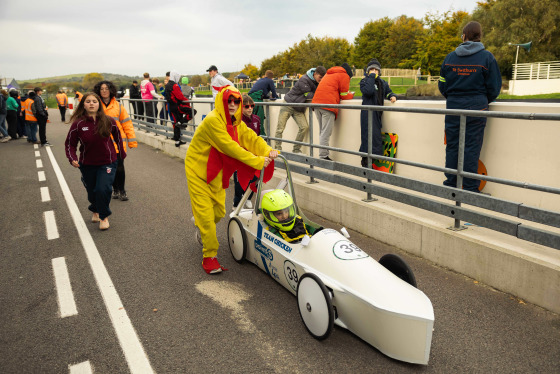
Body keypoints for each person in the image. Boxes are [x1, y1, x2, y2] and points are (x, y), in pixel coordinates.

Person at [185, 85, 278, 274]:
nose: (233, 104)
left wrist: (268, 150)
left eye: (237, 101)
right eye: (229, 100)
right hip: (198, 172)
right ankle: (209, 255)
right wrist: (258, 160)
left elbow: (251, 138)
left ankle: (201, 224)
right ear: (222, 101)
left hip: (217, 174)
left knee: (219, 213)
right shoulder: (213, 121)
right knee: (206, 217)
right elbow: (230, 148)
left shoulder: (237, 122)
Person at [438, 21, 501, 192]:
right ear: (479, 36)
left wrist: (454, 98)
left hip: (453, 108)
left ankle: (451, 185)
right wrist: (481, 100)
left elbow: (442, 85)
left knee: (452, 146)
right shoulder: (487, 57)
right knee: (471, 147)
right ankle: (470, 188)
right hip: (477, 109)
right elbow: (494, 87)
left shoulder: (450, 58)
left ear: (464, 36)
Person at [65, 92, 126, 230]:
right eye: (88, 101)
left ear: (99, 104)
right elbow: (70, 143)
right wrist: (72, 158)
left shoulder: (109, 120)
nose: (91, 103)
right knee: (92, 190)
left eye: (94, 101)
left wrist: (121, 153)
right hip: (87, 164)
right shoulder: (78, 124)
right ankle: (95, 208)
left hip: (108, 161)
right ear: (83, 105)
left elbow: (118, 137)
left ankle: (103, 216)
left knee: (102, 189)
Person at [93, 80, 137, 201]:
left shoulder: (119, 106)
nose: (104, 91)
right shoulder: (95, 106)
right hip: (103, 144)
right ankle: (115, 189)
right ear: (98, 91)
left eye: (106, 88)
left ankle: (122, 191)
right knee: (108, 169)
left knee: (120, 167)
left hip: (118, 143)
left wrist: (132, 140)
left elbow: (127, 124)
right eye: (102, 89)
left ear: (111, 90)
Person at [275, 66, 326, 153]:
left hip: (298, 108)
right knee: (280, 128)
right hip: (288, 104)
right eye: (320, 77)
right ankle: (277, 150)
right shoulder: (304, 79)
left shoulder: (317, 82)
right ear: (315, 74)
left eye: (323, 78)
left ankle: (296, 149)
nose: (321, 79)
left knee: (304, 127)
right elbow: (308, 95)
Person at [311, 63, 355, 160]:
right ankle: (323, 156)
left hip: (316, 103)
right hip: (327, 105)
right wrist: (351, 95)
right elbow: (344, 95)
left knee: (322, 131)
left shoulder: (329, 73)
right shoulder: (344, 75)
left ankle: (322, 153)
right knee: (326, 132)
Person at [359, 58, 397, 167]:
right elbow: (368, 91)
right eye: (372, 69)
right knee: (367, 137)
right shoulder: (364, 81)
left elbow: (388, 92)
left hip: (377, 115)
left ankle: (373, 162)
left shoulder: (382, 83)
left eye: (376, 70)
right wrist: (371, 77)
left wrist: (392, 96)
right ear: (368, 71)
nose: (374, 71)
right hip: (367, 114)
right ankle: (365, 162)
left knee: (375, 138)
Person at [232, 94, 261, 210]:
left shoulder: (257, 119)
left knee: (255, 179)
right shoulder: (236, 120)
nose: (249, 109)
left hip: (253, 154)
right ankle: (236, 202)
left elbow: (258, 137)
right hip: (241, 155)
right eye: (246, 106)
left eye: (252, 106)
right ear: (241, 107)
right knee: (239, 181)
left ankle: (248, 198)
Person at [165, 71, 194, 147]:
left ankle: (177, 141)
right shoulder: (175, 85)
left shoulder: (167, 85)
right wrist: (187, 101)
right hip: (177, 107)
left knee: (176, 123)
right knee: (193, 111)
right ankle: (182, 123)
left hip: (171, 107)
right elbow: (180, 97)